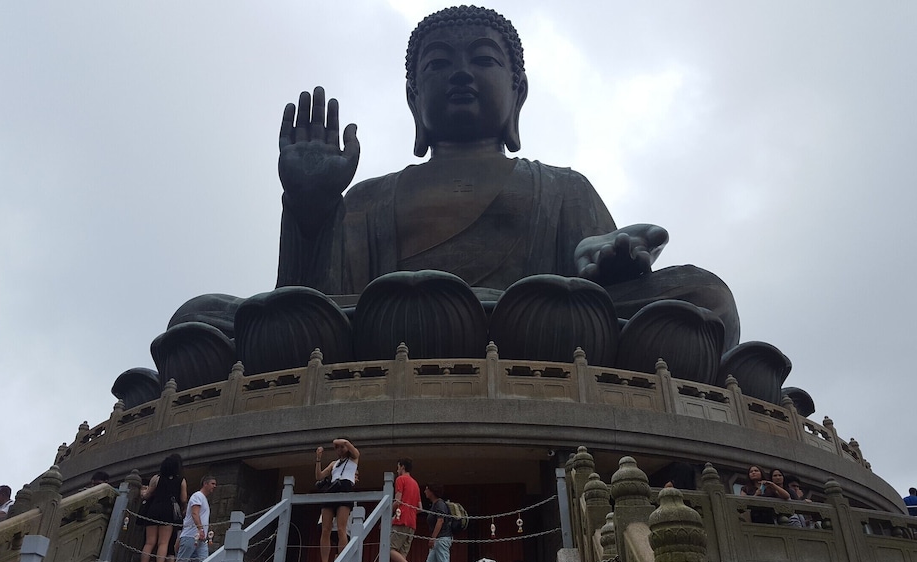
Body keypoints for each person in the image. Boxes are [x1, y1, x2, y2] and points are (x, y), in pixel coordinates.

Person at [274, 5, 740, 351]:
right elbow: (311, 302)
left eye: (483, 60)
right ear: (414, 100)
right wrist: (309, 209)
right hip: (400, 329)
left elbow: (594, 283)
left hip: (535, 325)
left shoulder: (562, 188)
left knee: (707, 296)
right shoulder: (366, 199)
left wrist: (605, 267)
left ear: (518, 92)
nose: (460, 73)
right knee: (205, 313)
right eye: (438, 63)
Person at [315, 438, 360, 562]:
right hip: (332, 489)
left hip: (345, 487)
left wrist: (337, 441)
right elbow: (319, 476)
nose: (339, 449)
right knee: (326, 529)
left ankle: (341, 561)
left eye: (341, 447)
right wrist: (318, 459)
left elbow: (346, 443)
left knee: (341, 529)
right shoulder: (334, 463)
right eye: (336, 448)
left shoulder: (354, 458)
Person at [140, 453, 188, 562]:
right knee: (163, 543)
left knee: (149, 542)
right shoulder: (181, 480)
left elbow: (148, 494)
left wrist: (142, 493)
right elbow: (183, 499)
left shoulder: (156, 478)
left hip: (154, 508)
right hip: (168, 511)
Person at [171, 475, 217, 562]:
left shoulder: (203, 498)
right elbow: (194, 513)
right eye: (212, 484)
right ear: (205, 484)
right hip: (191, 536)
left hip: (201, 538)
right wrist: (200, 529)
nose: (214, 486)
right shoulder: (197, 496)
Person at [390, 458, 420, 562]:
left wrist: (388, 513)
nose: (397, 469)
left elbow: (398, 501)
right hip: (412, 522)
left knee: (389, 548)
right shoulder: (415, 483)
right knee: (402, 554)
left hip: (401, 519)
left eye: (398, 467)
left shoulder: (400, 479)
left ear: (402, 466)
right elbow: (420, 507)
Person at [423, 483, 452, 562]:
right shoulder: (435, 504)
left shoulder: (439, 504)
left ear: (432, 491)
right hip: (438, 540)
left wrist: (433, 538)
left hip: (441, 539)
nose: (425, 491)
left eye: (427, 489)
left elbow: (440, 520)